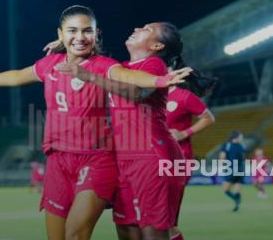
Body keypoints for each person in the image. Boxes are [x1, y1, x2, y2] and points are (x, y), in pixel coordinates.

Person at [0, 5, 189, 240]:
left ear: (96, 34)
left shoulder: (105, 66)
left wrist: (160, 81)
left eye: (87, 31)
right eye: (72, 30)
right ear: (60, 35)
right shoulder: (50, 64)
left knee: (77, 233)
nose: (80, 36)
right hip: (58, 161)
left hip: (97, 158)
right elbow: (17, 76)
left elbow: (130, 77)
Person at [56, 22, 191, 240]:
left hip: (151, 157)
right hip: (125, 159)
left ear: (157, 46)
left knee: (153, 233)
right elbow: (89, 63)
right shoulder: (123, 68)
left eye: (147, 29)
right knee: (129, 231)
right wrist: (67, 43)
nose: (137, 28)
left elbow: (137, 93)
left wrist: (90, 77)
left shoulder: (154, 65)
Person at [165, 57, 217, 240]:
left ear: (172, 69)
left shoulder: (183, 96)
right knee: (154, 222)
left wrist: (184, 133)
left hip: (178, 160)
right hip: (153, 160)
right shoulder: (151, 97)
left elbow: (209, 118)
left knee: (167, 223)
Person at [219, 130, 246, 212]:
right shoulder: (242, 146)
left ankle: (236, 200)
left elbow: (222, 157)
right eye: (241, 136)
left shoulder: (227, 145)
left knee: (225, 189)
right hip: (241, 169)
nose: (242, 138)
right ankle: (237, 203)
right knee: (237, 189)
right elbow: (244, 157)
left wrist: (223, 167)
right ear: (236, 137)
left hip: (231, 169)